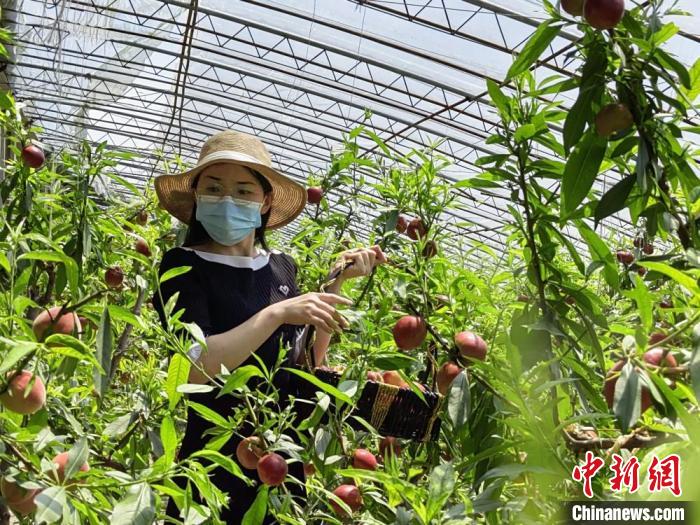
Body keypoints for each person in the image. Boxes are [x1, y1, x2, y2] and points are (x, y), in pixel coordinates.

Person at [151, 129, 387, 524]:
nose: (228, 199)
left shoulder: (280, 266)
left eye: (244, 191)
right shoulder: (181, 266)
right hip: (216, 456)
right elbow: (193, 367)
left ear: (265, 203)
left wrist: (335, 286)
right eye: (214, 188)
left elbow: (307, 360)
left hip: (280, 456)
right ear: (196, 197)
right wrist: (277, 313)